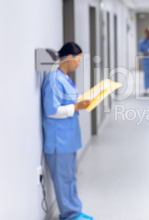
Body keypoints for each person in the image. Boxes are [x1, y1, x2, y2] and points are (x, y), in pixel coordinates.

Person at [42, 42, 93, 220]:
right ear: (69, 58)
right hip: (59, 142)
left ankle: (75, 211)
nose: (79, 64)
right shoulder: (54, 79)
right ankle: (69, 215)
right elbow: (51, 111)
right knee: (63, 181)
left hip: (68, 139)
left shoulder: (65, 78)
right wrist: (76, 106)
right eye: (78, 60)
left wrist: (81, 101)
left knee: (70, 178)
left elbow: (67, 101)